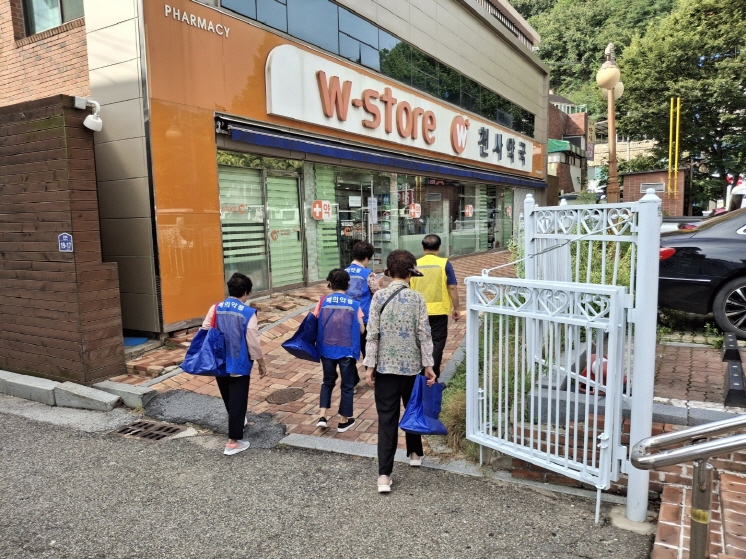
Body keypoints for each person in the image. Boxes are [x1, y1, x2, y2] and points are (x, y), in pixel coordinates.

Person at [364, 250, 436, 493]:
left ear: (389, 271)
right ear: (410, 273)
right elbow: (424, 335)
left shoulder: (378, 296)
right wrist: (429, 365)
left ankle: (384, 476)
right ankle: (415, 453)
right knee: (413, 408)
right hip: (412, 367)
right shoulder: (417, 298)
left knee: (387, 420)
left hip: (385, 368)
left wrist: (370, 366)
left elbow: (372, 335)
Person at [201, 272, 267, 456]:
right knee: (238, 397)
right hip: (239, 361)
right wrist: (261, 362)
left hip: (219, 360)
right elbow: (253, 341)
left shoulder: (215, 308)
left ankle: (238, 421)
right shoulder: (248, 312)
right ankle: (232, 442)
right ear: (246, 292)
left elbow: (205, 329)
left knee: (228, 395)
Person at [313, 269, 365, 432]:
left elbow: (314, 321)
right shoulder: (354, 304)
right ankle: (343, 420)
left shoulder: (323, 301)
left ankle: (322, 416)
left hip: (326, 349)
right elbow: (361, 329)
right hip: (347, 351)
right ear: (348, 285)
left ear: (330, 284)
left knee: (327, 381)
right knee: (347, 385)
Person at [409, 234, 461, 379]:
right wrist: (456, 308)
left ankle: (420, 372)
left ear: (423, 247)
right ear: (438, 248)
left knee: (419, 341)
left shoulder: (414, 264)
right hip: (439, 310)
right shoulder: (444, 263)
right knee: (437, 342)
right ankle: (432, 373)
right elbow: (452, 287)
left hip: (418, 310)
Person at [345, 241, 382, 385]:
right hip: (365, 317)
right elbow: (376, 293)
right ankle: (372, 376)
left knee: (349, 351)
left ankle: (352, 382)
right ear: (366, 258)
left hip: (347, 317)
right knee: (368, 347)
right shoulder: (368, 274)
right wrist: (378, 285)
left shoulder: (344, 272)